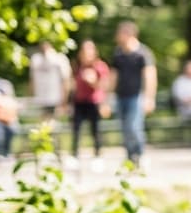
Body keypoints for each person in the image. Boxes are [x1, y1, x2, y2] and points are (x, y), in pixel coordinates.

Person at [107, 21, 157, 166]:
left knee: (134, 127)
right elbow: (114, 76)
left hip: (136, 96)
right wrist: (109, 97)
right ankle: (130, 157)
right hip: (121, 96)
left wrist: (149, 98)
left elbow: (150, 76)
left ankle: (140, 154)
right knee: (124, 129)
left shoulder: (143, 53)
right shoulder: (118, 53)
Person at [68, 39, 110, 170]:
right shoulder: (77, 67)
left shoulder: (100, 67)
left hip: (94, 102)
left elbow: (104, 87)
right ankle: (74, 156)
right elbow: (72, 86)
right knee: (76, 130)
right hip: (79, 102)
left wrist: (92, 81)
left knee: (96, 131)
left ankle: (97, 157)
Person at [28, 40, 72, 122]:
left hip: (55, 98)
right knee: (42, 123)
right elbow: (32, 79)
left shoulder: (60, 59)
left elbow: (66, 80)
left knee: (52, 123)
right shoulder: (36, 59)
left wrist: (64, 100)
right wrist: (31, 96)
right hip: (40, 98)